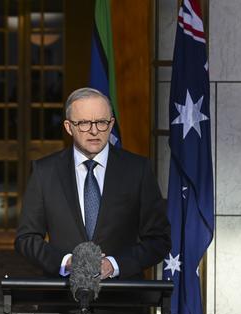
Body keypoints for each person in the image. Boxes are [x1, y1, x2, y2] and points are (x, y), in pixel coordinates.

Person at [15, 87, 170, 279]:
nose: (94, 130)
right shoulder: (44, 172)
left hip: (123, 298)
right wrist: (67, 262)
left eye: (101, 122)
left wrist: (114, 265)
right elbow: (26, 239)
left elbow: (159, 240)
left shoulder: (138, 170)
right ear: (68, 127)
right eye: (84, 123)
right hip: (61, 298)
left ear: (111, 124)